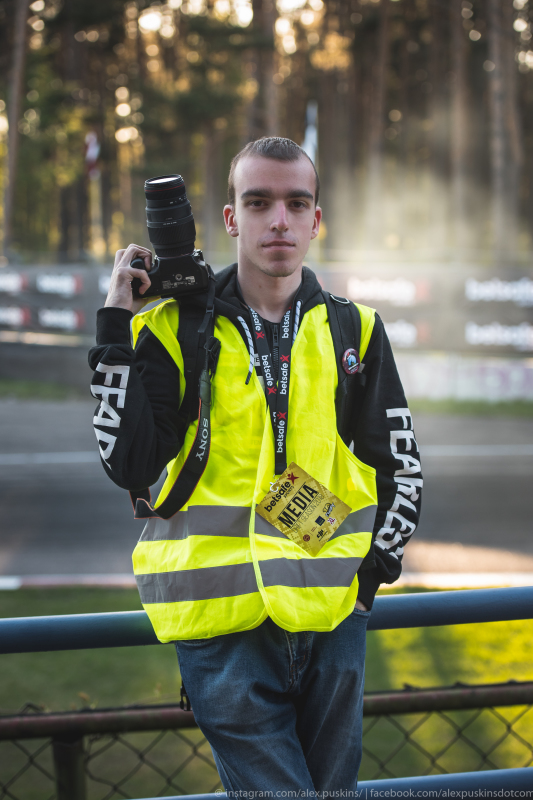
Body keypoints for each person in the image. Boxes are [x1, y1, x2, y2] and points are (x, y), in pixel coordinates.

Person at [89, 137, 422, 797]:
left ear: (315, 220)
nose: (279, 220)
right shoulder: (172, 329)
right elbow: (127, 462)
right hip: (221, 630)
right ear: (230, 219)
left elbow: (400, 468)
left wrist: (365, 586)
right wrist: (113, 331)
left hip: (332, 621)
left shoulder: (354, 329)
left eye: (296, 203)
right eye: (259, 201)